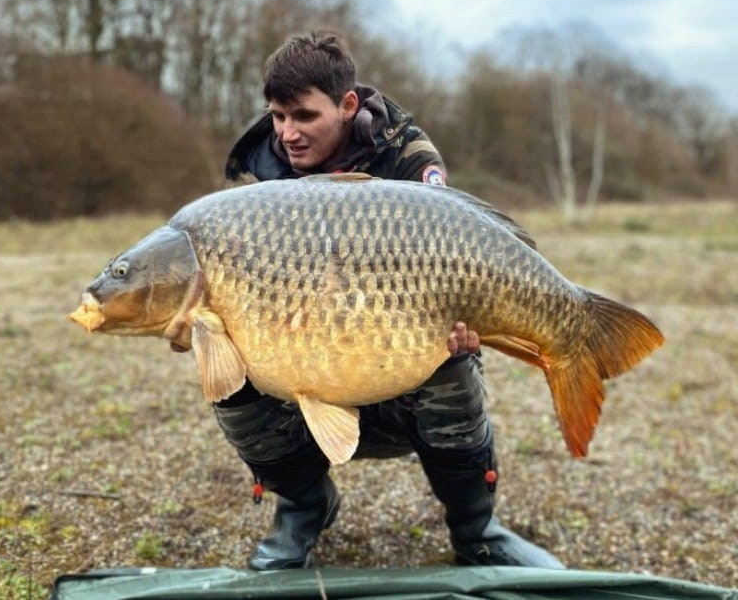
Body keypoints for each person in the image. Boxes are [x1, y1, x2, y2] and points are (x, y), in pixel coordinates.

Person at [207, 32, 564, 571]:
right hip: (303, 361)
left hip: (397, 363)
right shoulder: (261, 172)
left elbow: (453, 250)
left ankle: (477, 528)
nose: (288, 133)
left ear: (348, 105)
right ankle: (303, 507)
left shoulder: (409, 157)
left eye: (304, 116)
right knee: (227, 376)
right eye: (277, 116)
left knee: (452, 359)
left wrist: (469, 320)